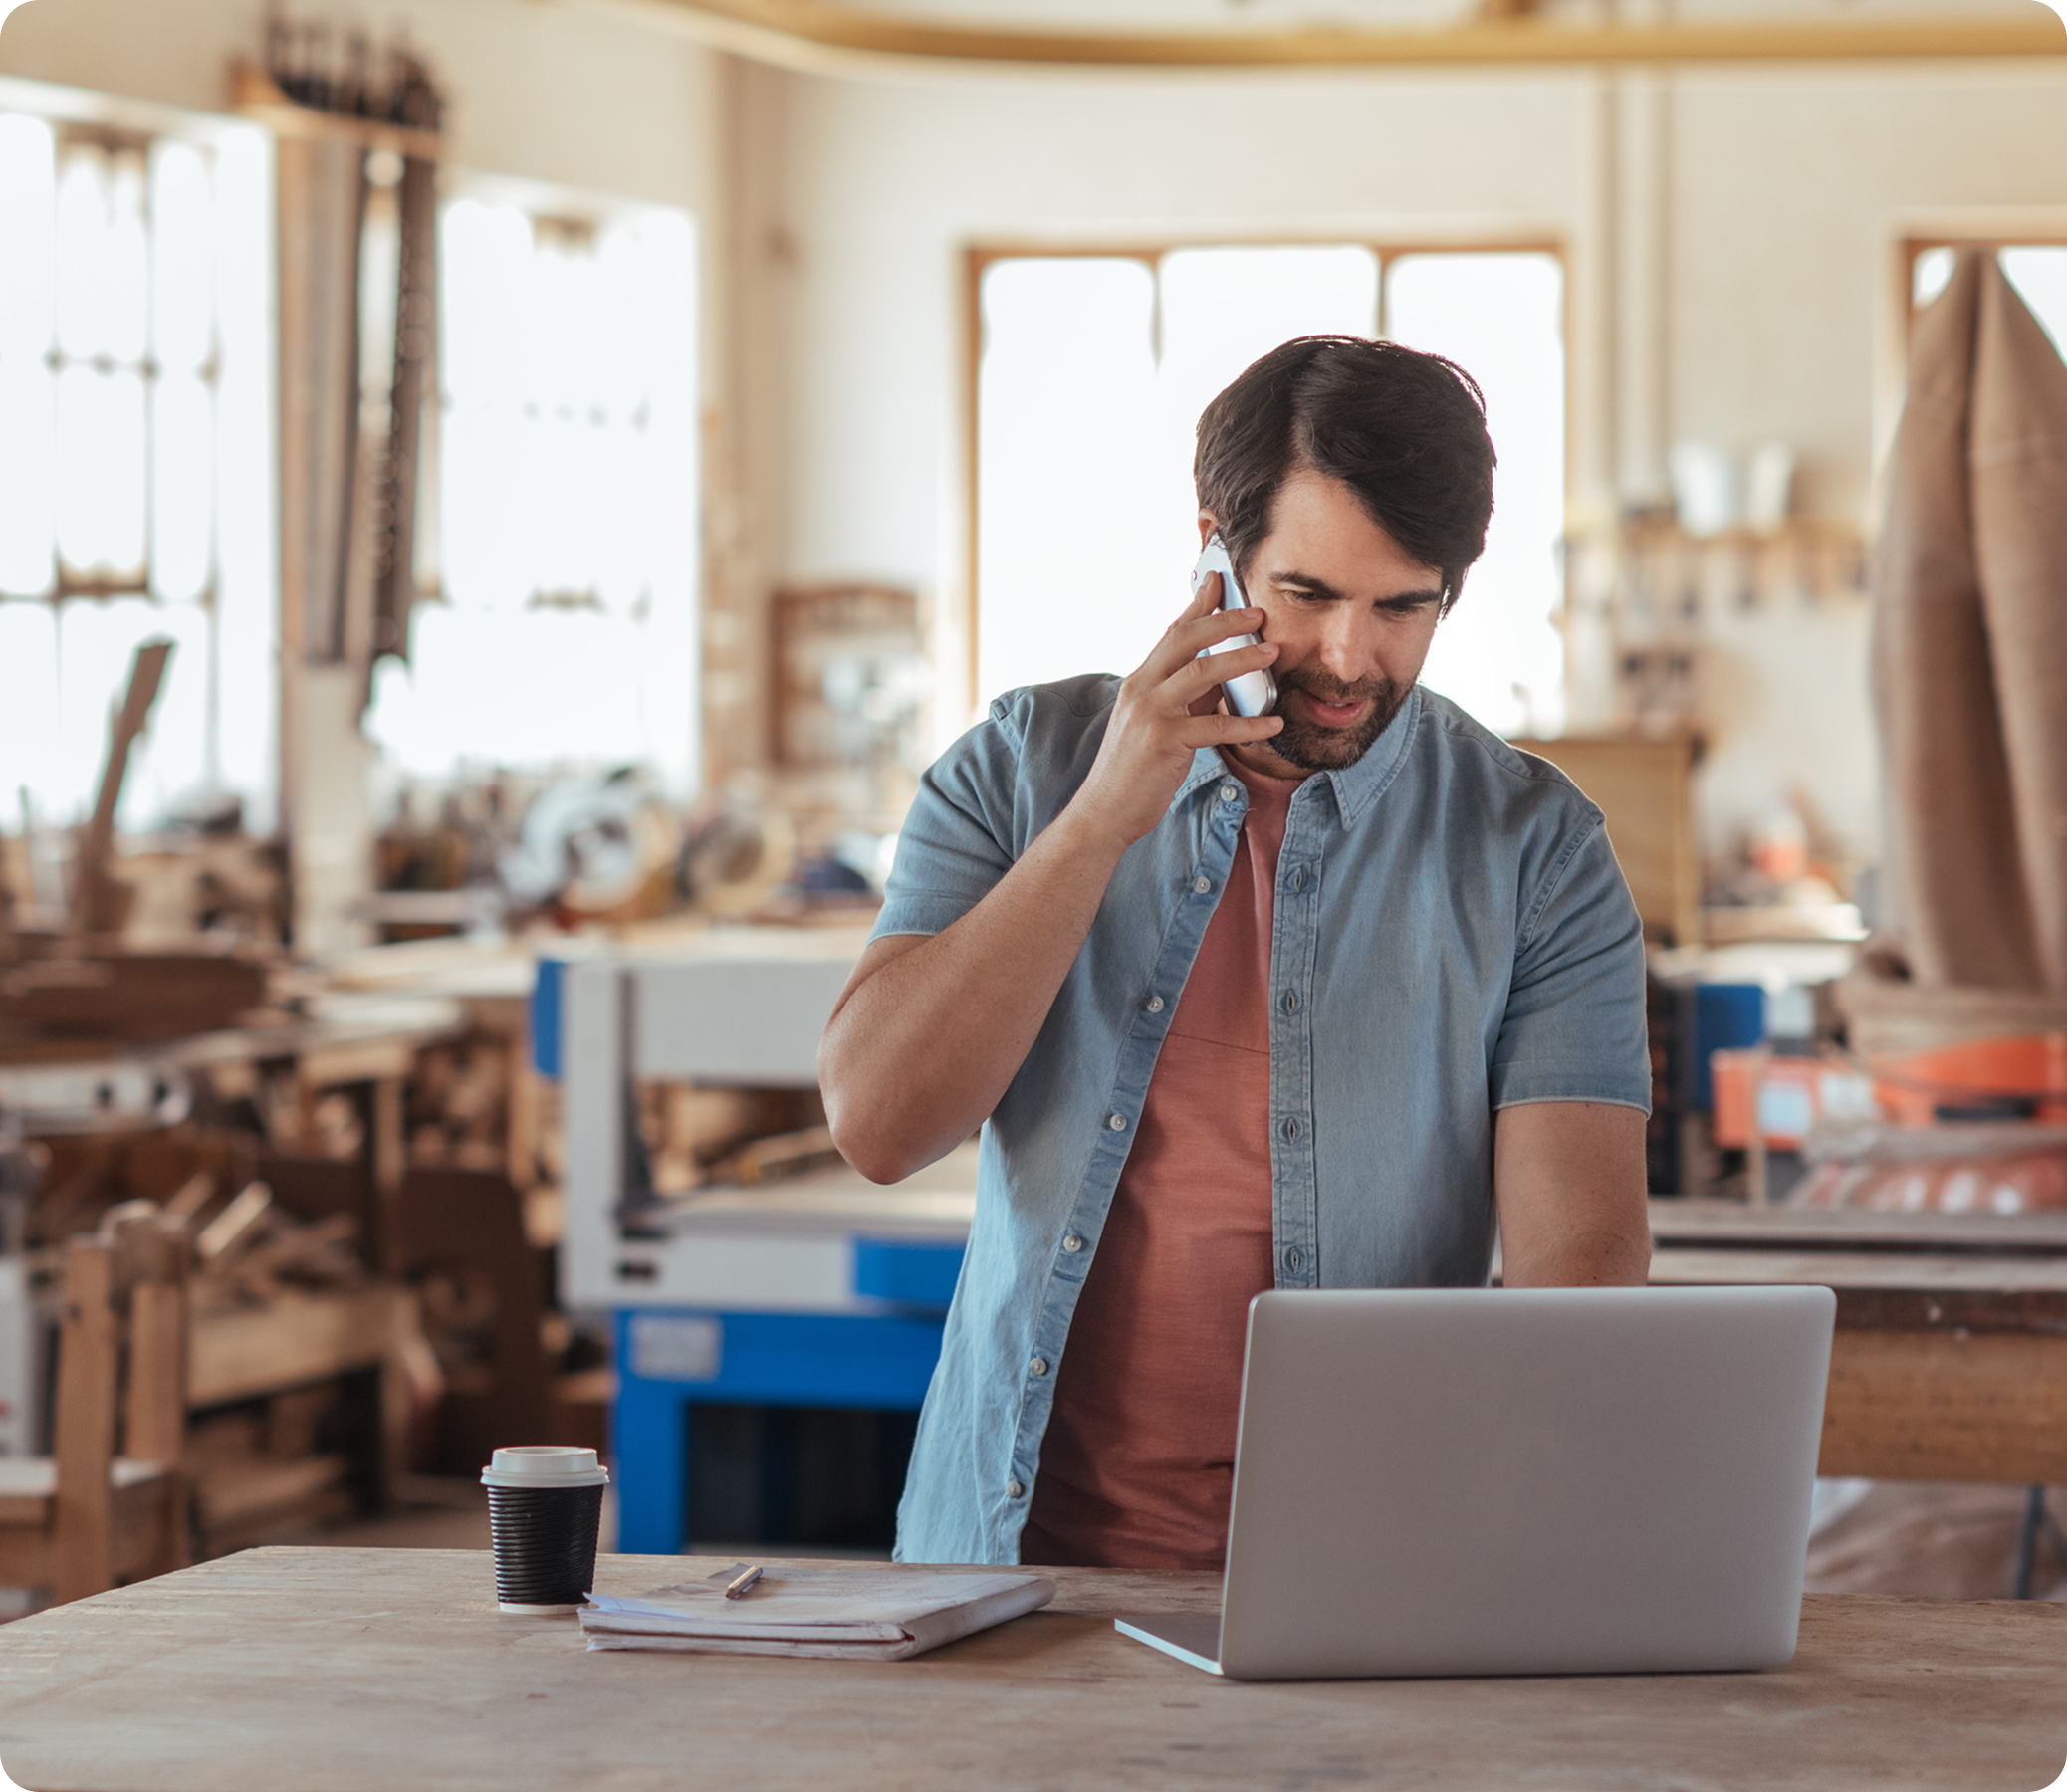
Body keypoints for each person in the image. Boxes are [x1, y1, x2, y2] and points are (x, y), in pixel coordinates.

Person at [817, 335, 1652, 1571]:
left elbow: (1574, 1264)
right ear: (1214, 546)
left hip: (1366, 1577)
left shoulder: (1537, 850)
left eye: (1402, 607)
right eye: (1308, 596)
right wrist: (1104, 814)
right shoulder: (1017, 769)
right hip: (1008, 1576)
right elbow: (879, 1124)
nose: (1351, 659)